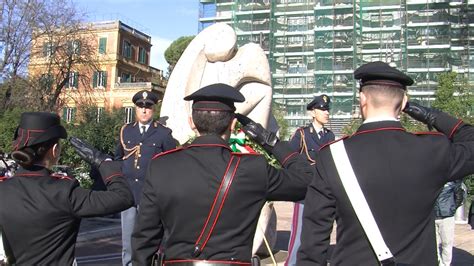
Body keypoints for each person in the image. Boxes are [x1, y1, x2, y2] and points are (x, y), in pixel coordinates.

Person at [297, 61, 474, 265]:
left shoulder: (332, 157)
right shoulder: (433, 150)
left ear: (362, 99)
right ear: (403, 101)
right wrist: (427, 114)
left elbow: (313, 243)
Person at [131, 83, 314, 265]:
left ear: (192, 122)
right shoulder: (253, 168)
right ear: (233, 123)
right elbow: (307, 180)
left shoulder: (162, 166)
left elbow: (144, 238)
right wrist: (269, 141)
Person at [0, 112, 134, 265]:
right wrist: (104, 162)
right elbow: (124, 197)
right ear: (55, 150)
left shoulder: (3, 189)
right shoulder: (65, 191)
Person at [115, 89, 177, 266]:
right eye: (140, 106)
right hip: (128, 194)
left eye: (148, 107)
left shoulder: (163, 134)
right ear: (135, 109)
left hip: (151, 194)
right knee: (127, 241)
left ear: (153, 110)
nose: (144, 110)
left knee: (149, 238)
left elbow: (171, 163)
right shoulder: (126, 131)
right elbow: (118, 159)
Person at [286, 94, 335, 266]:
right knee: (299, 235)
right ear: (312, 113)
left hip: (324, 193)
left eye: (327, 109)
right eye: (322, 109)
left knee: (319, 235)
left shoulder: (330, 136)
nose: (326, 113)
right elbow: (289, 159)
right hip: (304, 193)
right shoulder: (302, 134)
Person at [434, 180, 464, 266]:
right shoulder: (431, 181)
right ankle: (438, 263)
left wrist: (452, 209)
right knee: (433, 244)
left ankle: (446, 264)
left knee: (447, 242)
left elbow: (459, 197)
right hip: (433, 216)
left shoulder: (452, 183)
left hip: (447, 216)